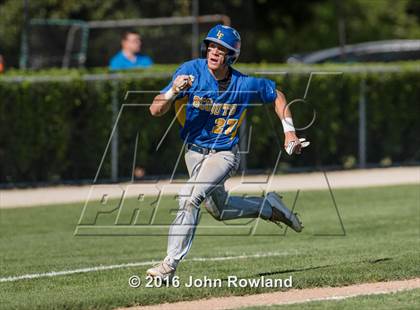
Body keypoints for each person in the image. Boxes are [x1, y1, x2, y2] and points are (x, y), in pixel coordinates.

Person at [147, 25, 308, 281]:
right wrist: (172, 91)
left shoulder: (243, 83)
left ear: (231, 55)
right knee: (219, 210)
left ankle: (169, 265)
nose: (214, 52)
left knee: (189, 197)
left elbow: (277, 95)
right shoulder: (190, 71)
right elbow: (155, 110)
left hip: (223, 154)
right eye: (211, 46)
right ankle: (267, 207)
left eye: (221, 49)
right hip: (194, 153)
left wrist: (289, 131)